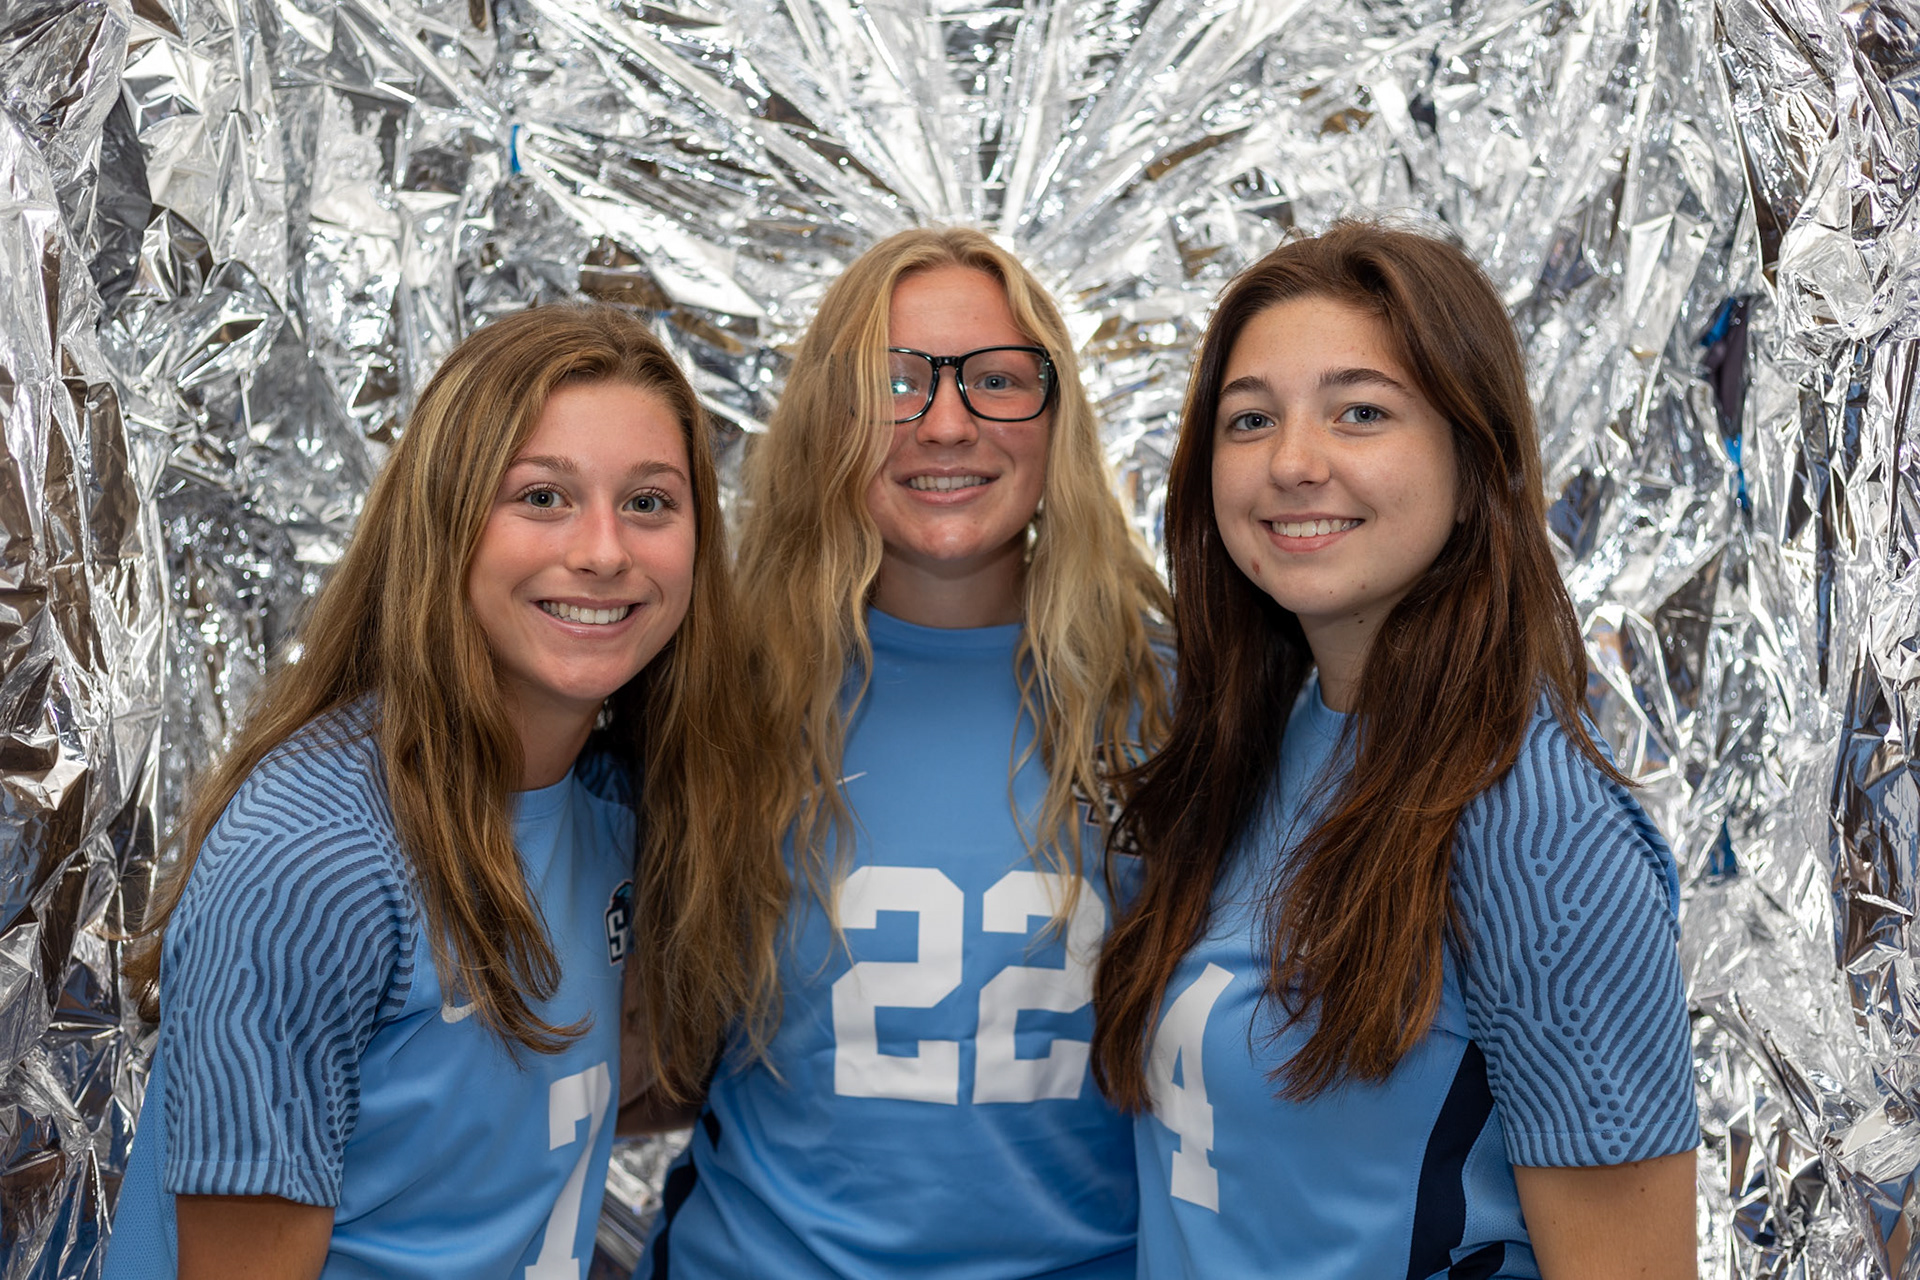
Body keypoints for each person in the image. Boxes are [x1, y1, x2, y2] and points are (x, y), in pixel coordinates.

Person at [1090, 222, 1701, 1279]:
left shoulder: (1532, 822)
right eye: (1250, 419)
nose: (1293, 461)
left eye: (1360, 411)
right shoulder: (1256, 742)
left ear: (1476, 457)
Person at [105, 304, 760, 1279]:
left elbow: (541, 1093)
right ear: (445, 517)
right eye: (542, 495)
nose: (604, 550)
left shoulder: (616, 803)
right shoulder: (318, 859)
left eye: (650, 502)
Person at [639, 227, 1172, 1278]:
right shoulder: (713, 692)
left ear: (1058, 417)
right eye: (895, 381)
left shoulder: (1182, 701)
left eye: (997, 381)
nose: (945, 424)